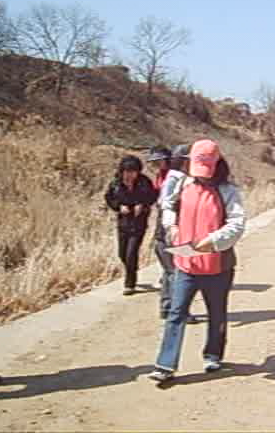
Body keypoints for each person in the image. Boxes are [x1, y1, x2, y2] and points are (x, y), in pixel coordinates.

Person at [148, 140, 245, 383]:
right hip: (186, 263)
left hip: (218, 265)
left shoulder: (228, 191)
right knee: (176, 312)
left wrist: (213, 241)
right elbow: (167, 206)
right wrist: (171, 227)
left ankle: (213, 355)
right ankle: (165, 365)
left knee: (216, 313)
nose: (201, 176)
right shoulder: (183, 184)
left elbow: (237, 223)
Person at [104, 155, 157, 296]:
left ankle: (130, 284)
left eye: (133, 171)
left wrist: (143, 204)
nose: (130, 175)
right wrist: (119, 206)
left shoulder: (144, 182)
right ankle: (132, 268)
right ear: (122, 171)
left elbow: (153, 196)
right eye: (127, 171)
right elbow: (109, 198)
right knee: (122, 254)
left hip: (139, 223)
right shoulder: (116, 183)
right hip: (123, 223)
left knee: (131, 253)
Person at [154, 144, 190, 320]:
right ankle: (178, 311)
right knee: (178, 273)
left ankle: (167, 307)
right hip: (171, 235)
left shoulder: (172, 178)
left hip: (164, 235)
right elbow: (167, 205)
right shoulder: (179, 179)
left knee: (170, 273)